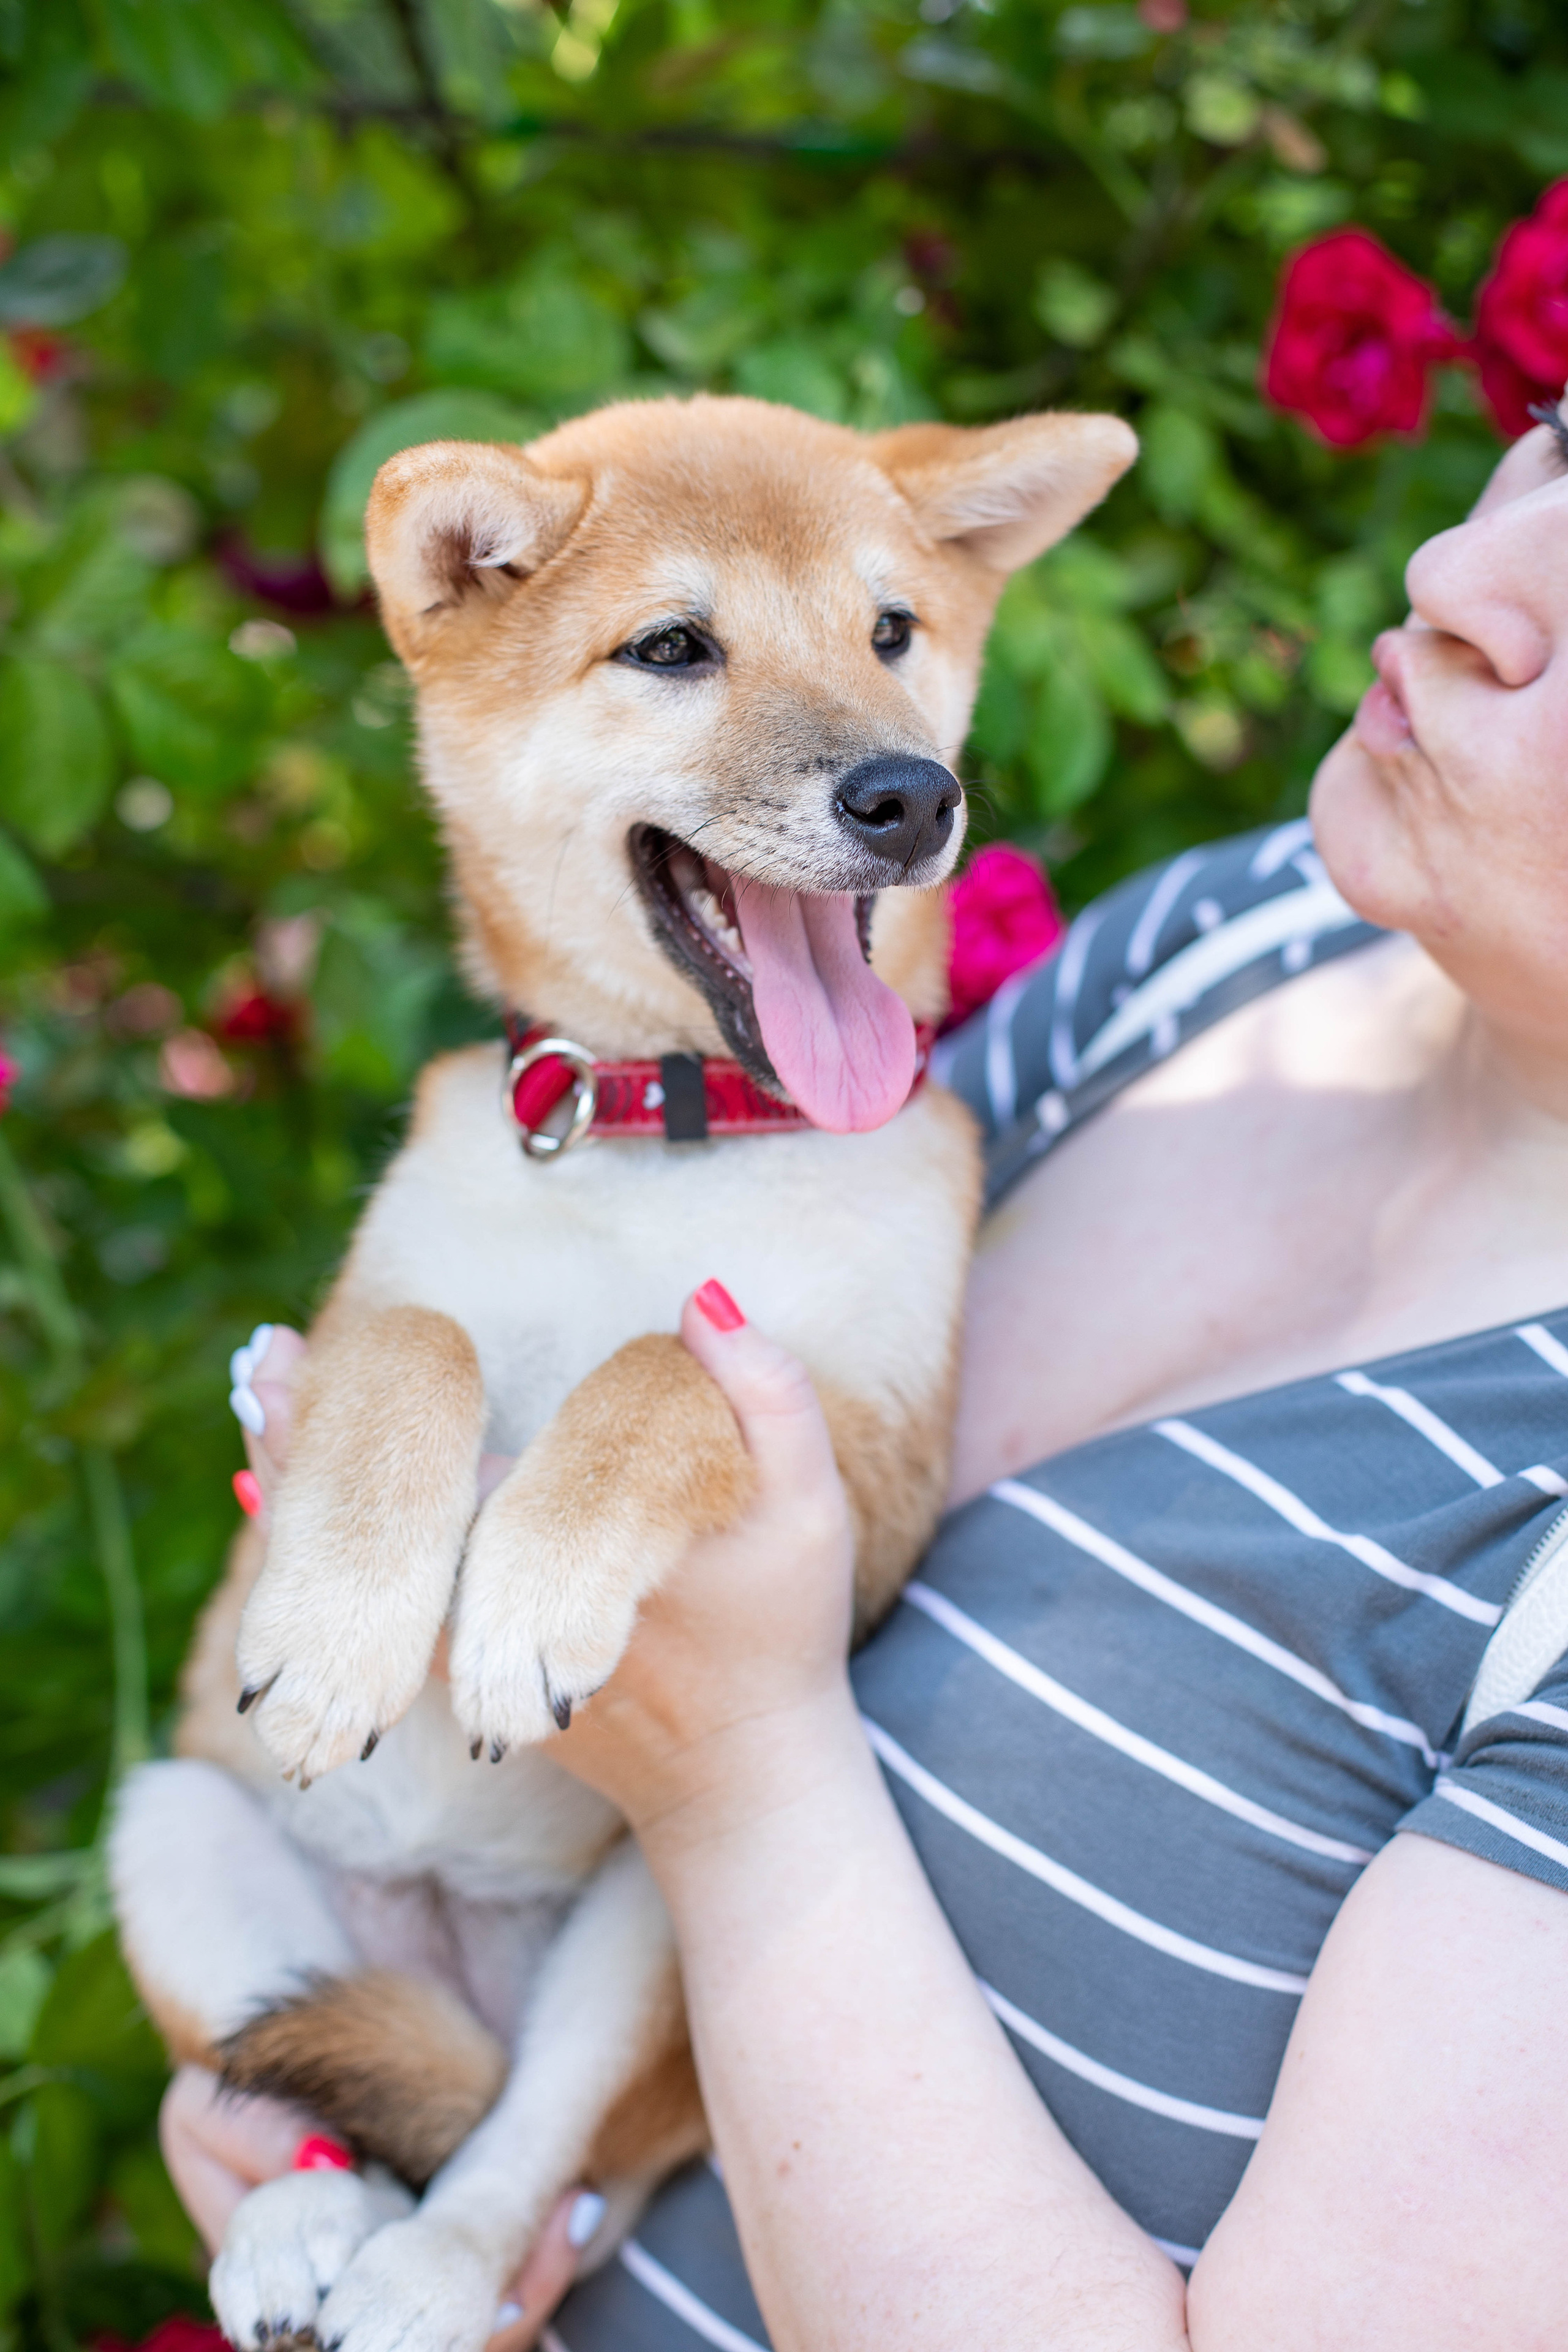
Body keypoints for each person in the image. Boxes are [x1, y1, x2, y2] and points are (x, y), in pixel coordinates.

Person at [164, 392, 1568, 2350]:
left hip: (570, 2084)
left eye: (894, 635)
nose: (1464, 573)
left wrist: (730, 1763)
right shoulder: (1230, 944)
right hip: (405, 2027)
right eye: (1560, 436)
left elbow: (789, 1450)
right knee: (181, 1834)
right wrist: (292, 2093)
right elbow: (766, 1294)